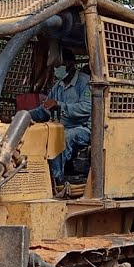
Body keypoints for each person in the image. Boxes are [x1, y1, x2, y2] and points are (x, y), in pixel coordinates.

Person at [30, 49, 91, 187]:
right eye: (55, 66)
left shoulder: (85, 83)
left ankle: (56, 179)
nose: (57, 69)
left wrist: (60, 105)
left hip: (85, 128)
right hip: (64, 127)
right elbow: (45, 109)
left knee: (63, 137)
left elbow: (87, 108)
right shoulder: (58, 86)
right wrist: (27, 115)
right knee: (45, 134)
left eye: (60, 65)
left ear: (71, 64)